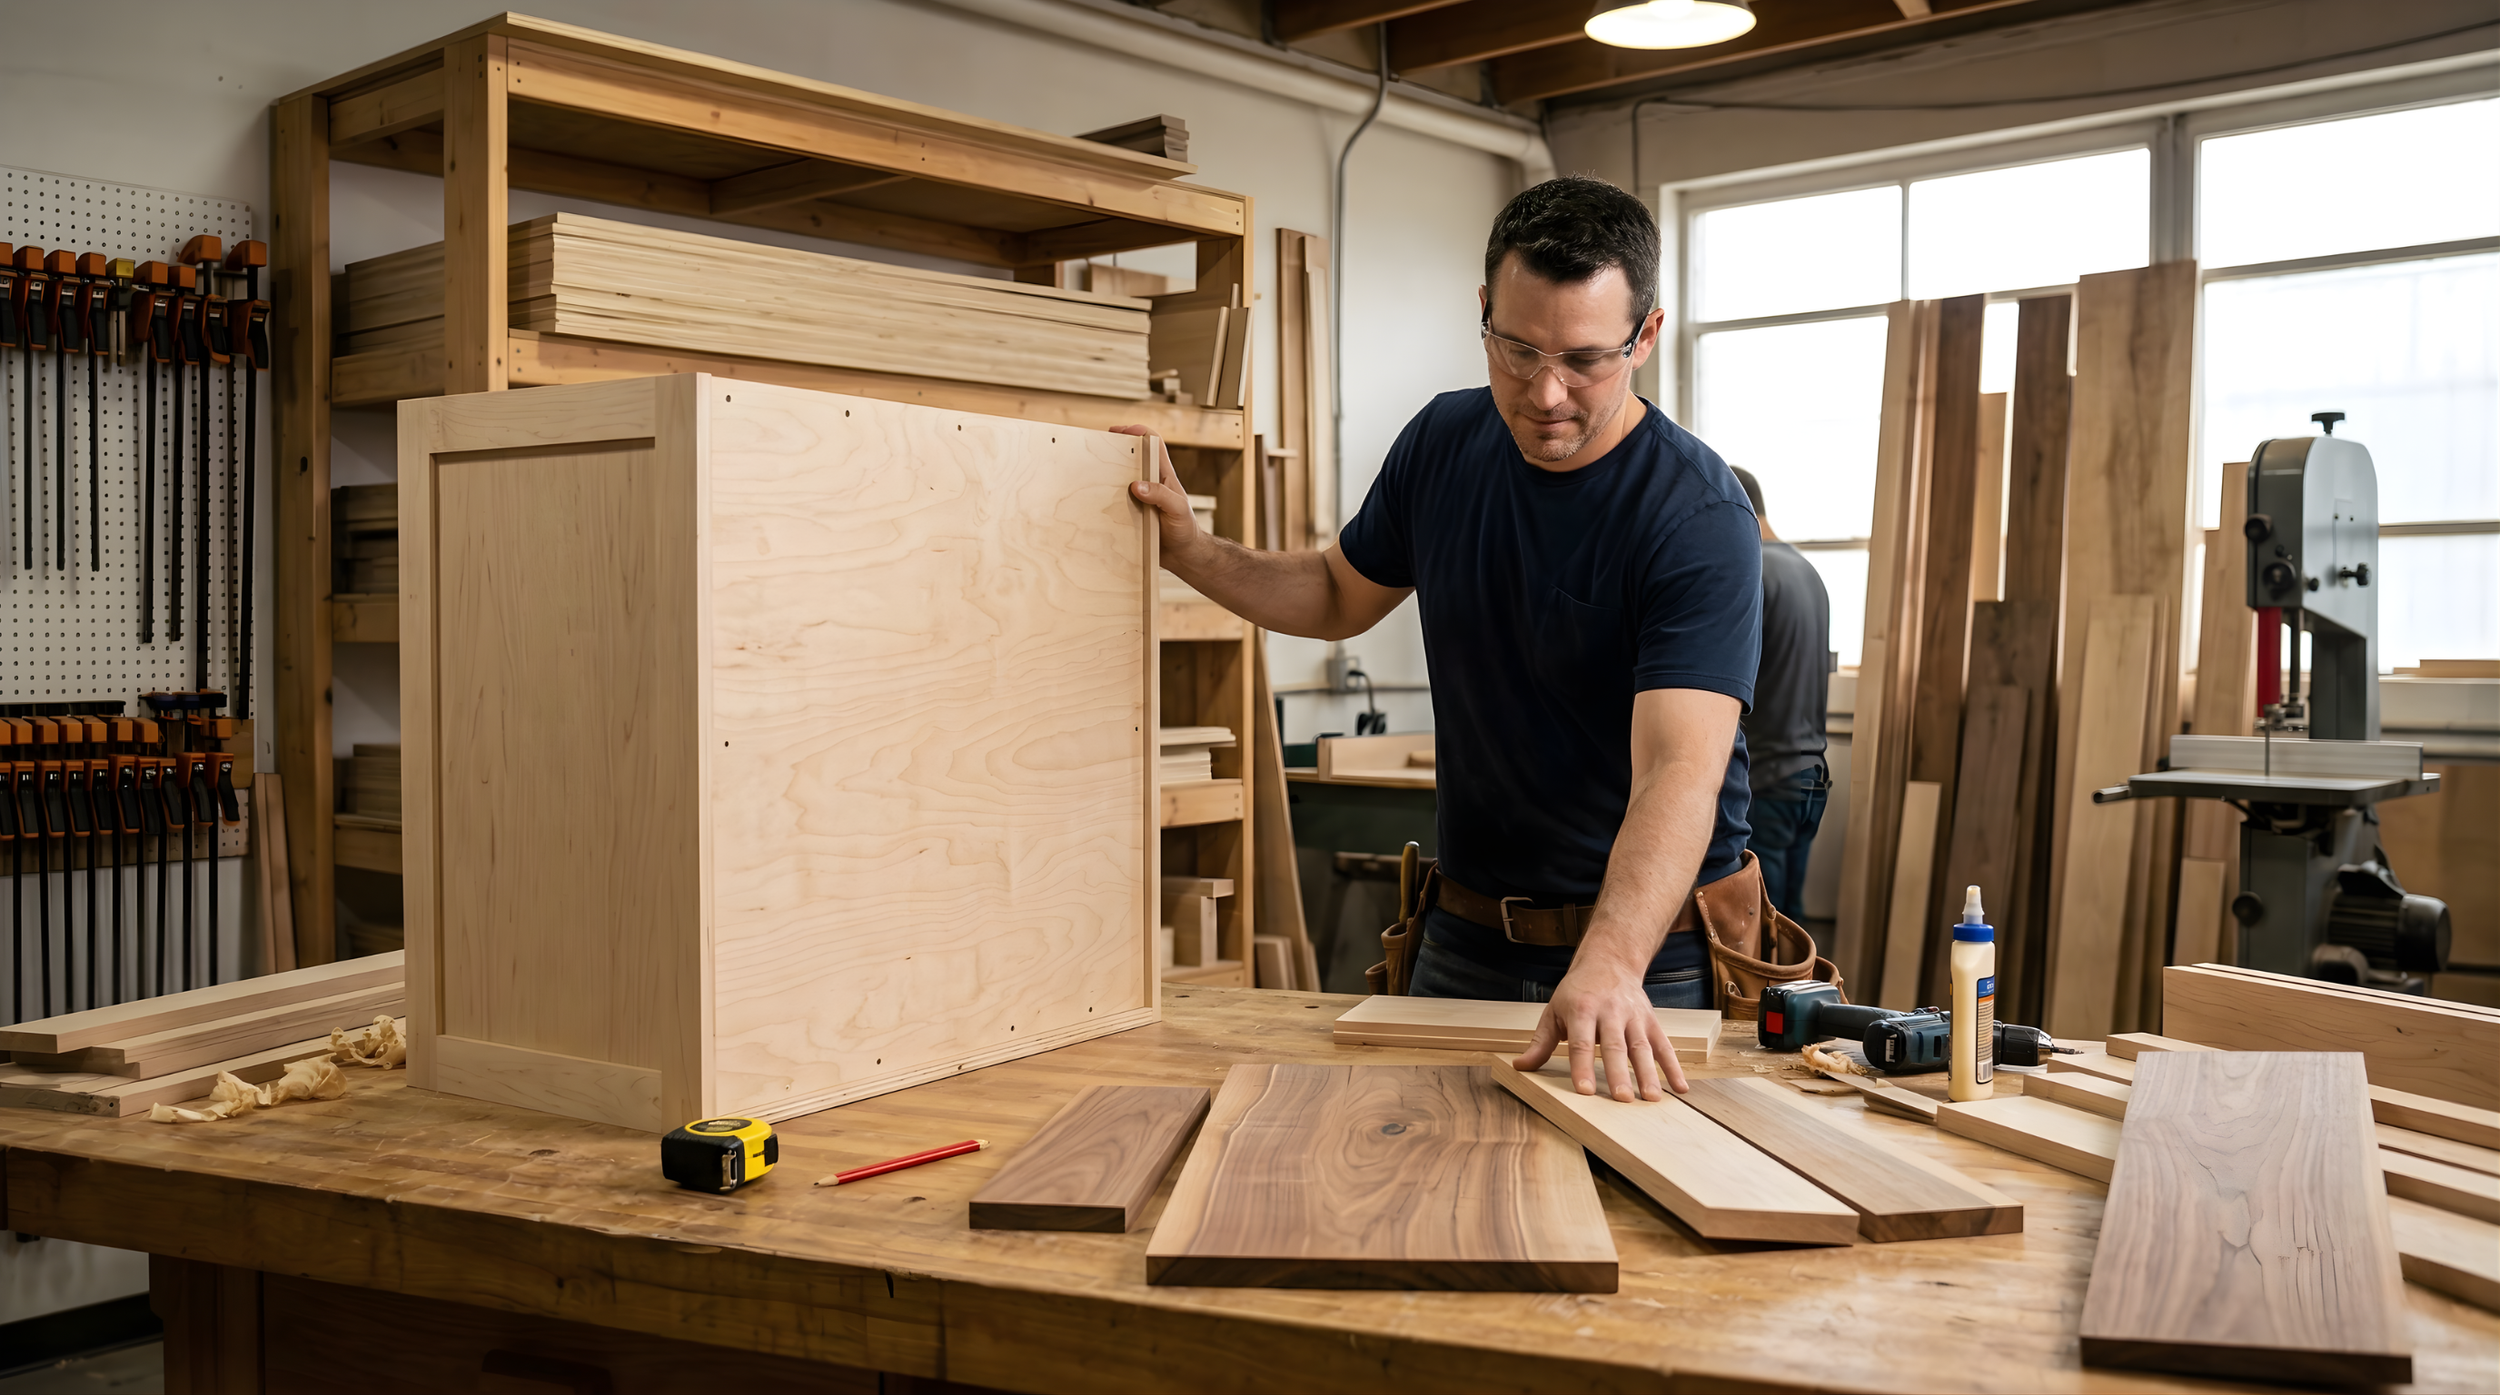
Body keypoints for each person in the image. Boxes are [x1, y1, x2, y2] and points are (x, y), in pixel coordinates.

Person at [1118, 176, 1761, 1104]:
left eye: (1584, 359)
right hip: (1466, 936)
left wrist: (1611, 959)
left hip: (1653, 954)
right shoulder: (1443, 443)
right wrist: (1192, 551)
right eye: (1517, 348)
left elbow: (1678, 773)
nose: (1545, 393)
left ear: (1646, 337)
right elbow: (1337, 592)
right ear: (1484, 312)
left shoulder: (1695, 513)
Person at [1728, 466, 1832, 926]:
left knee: (1761, 928)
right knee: (1791, 923)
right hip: (1810, 778)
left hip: (1767, 779)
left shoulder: (1754, 573)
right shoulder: (1806, 571)